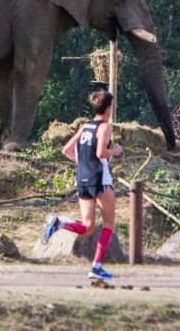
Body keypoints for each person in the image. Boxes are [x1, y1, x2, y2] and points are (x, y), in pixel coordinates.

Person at [40, 90, 122, 280]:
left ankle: (59, 224)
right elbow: (101, 153)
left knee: (88, 227)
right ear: (109, 108)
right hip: (99, 178)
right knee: (109, 223)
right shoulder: (104, 127)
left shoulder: (85, 126)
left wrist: (83, 163)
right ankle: (96, 266)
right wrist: (116, 151)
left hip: (82, 177)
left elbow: (66, 150)